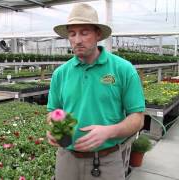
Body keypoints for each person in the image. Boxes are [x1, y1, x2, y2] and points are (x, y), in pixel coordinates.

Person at [46, 3, 145, 180]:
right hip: (67, 159)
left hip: (107, 161)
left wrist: (110, 131)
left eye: (84, 32)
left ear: (98, 34)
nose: (77, 40)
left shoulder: (123, 69)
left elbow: (137, 118)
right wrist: (54, 126)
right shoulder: (60, 74)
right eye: (72, 33)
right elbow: (53, 111)